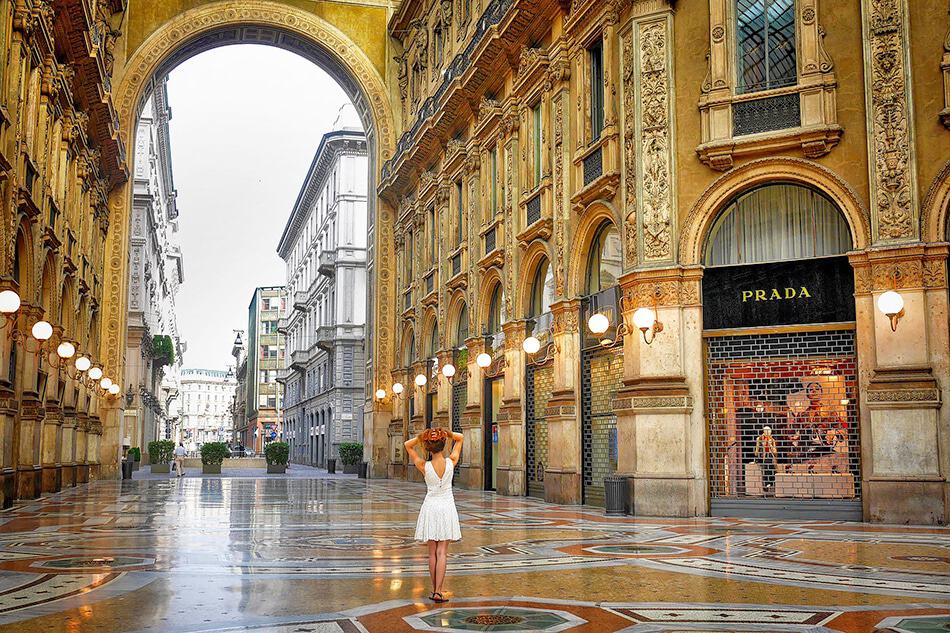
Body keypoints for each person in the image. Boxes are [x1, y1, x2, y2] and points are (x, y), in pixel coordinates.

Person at [405, 427, 463, 603]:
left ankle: (433, 590)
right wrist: (447, 433)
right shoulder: (451, 461)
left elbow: (408, 445)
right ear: (444, 445)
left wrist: (422, 436)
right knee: (442, 552)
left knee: (432, 553)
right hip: (446, 506)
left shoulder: (423, 465)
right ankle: (439, 590)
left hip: (430, 506)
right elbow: (460, 439)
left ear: (428, 447)